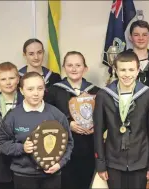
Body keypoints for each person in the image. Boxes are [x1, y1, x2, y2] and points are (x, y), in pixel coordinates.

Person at [93, 51, 149, 189]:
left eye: (131, 69)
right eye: (122, 70)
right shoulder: (104, 95)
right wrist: (100, 163)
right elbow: (98, 132)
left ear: (138, 70)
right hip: (113, 161)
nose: (127, 74)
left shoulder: (148, 95)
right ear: (115, 70)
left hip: (140, 160)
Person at [0, 72, 73, 189]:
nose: (36, 93)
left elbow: (68, 143)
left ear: (44, 89)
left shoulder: (57, 114)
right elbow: (1, 144)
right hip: (23, 176)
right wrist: (22, 148)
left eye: (40, 88)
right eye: (30, 89)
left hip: (52, 175)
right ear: (21, 91)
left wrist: (59, 164)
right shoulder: (12, 116)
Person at [45, 51, 100, 189]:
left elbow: (103, 117)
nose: (74, 69)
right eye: (69, 65)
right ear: (64, 67)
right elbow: (47, 117)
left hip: (88, 146)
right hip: (63, 147)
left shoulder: (96, 91)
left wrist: (96, 126)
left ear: (85, 68)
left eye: (78, 65)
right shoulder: (53, 91)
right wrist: (68, 124)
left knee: (86, 182)